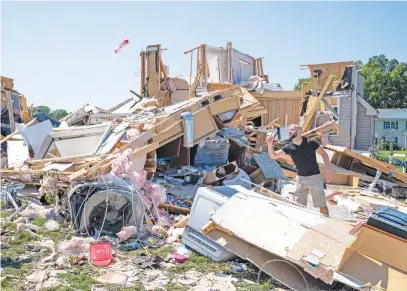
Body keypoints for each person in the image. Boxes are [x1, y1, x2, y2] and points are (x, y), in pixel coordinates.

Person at [266, 124, 332, 216]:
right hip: (300, 179)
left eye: (292, 130)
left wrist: (328, 170)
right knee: (299, 206)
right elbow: (274, 156)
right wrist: (269, 145)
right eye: (289, 130)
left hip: (315, 178)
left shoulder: (311, 143)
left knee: (321, 205)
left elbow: (324, 154)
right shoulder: (289, 147)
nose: (289, 132)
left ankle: (327, 224)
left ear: (299, 132)